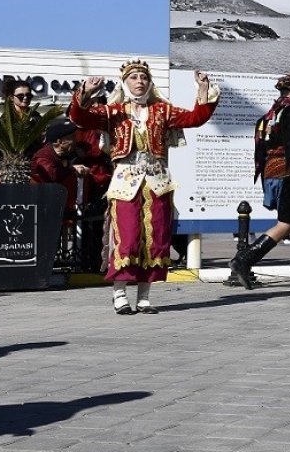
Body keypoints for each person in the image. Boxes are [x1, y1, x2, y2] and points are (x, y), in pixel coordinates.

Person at [69, 61, 218, 314]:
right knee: (127, 237)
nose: (139, 81)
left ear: (150, 83)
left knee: (155, 239)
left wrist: (203, 89)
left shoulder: (162, 110)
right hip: (126, 182)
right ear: (125, 83)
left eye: (143, 78)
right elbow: (79, 117)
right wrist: (85, 92)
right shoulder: (112, 112)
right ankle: (119, 294)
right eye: (134, 77)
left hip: (157, 182)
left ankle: (144, 296)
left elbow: (196, 118)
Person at [230, 74, 290, 289]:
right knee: (286, 224)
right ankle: (244, 260)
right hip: (288, 174)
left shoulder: (269, 115)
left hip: (272, 173)